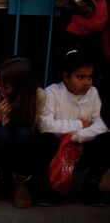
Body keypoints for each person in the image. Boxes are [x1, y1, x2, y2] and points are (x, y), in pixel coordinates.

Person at [37, 50, 110, 206]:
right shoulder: (52, 92)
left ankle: (91, 184)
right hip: (57, 148)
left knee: (107, 138)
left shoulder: (93, 92)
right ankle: (45, 187)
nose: (86, 82)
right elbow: (45, 125)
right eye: (80, 77)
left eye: (90, 77)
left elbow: (101, 124)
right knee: (45, 139)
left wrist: (78, 136)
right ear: (65, 77)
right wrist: (78, 124)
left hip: (81, 145)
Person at [0, 57, 45, 208]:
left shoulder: (37, 96)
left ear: (18, 87)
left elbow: (35, 129)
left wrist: (15, 118)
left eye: (3, 84)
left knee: (25, 134)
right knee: (2, 134)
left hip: (18, 146)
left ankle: (21, 182)